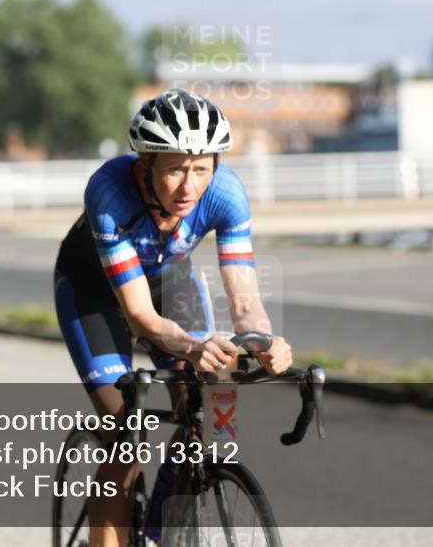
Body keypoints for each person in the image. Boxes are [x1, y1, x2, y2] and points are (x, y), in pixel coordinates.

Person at [53, 88, 293, 547]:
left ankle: (164, 530)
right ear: (146, 165)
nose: (189, 187)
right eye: (175, 170)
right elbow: (140, 316)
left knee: (199, 404)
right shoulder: (109, 193)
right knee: (126, 438)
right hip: (93, 293)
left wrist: (263, 340)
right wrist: (192, 344)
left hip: (168, 278)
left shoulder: (226, 195)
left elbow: (243, 299)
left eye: (201, 169)